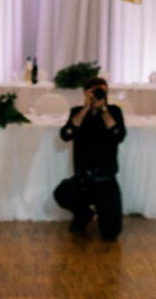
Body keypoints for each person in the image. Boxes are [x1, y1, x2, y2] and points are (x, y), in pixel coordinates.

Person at [54, 76, 126, 239]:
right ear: (86, 94)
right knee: (62, 193)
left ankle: (102, 213)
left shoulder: (113, 112)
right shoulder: (77, 112)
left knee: (111, 233)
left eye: (103, 92)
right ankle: (83, 215)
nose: (100, 95)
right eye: (95, 92)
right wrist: (87, 108)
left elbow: (118, 135)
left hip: (105, 179)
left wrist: (103, 109)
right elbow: (66, 134)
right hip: (84, 178)